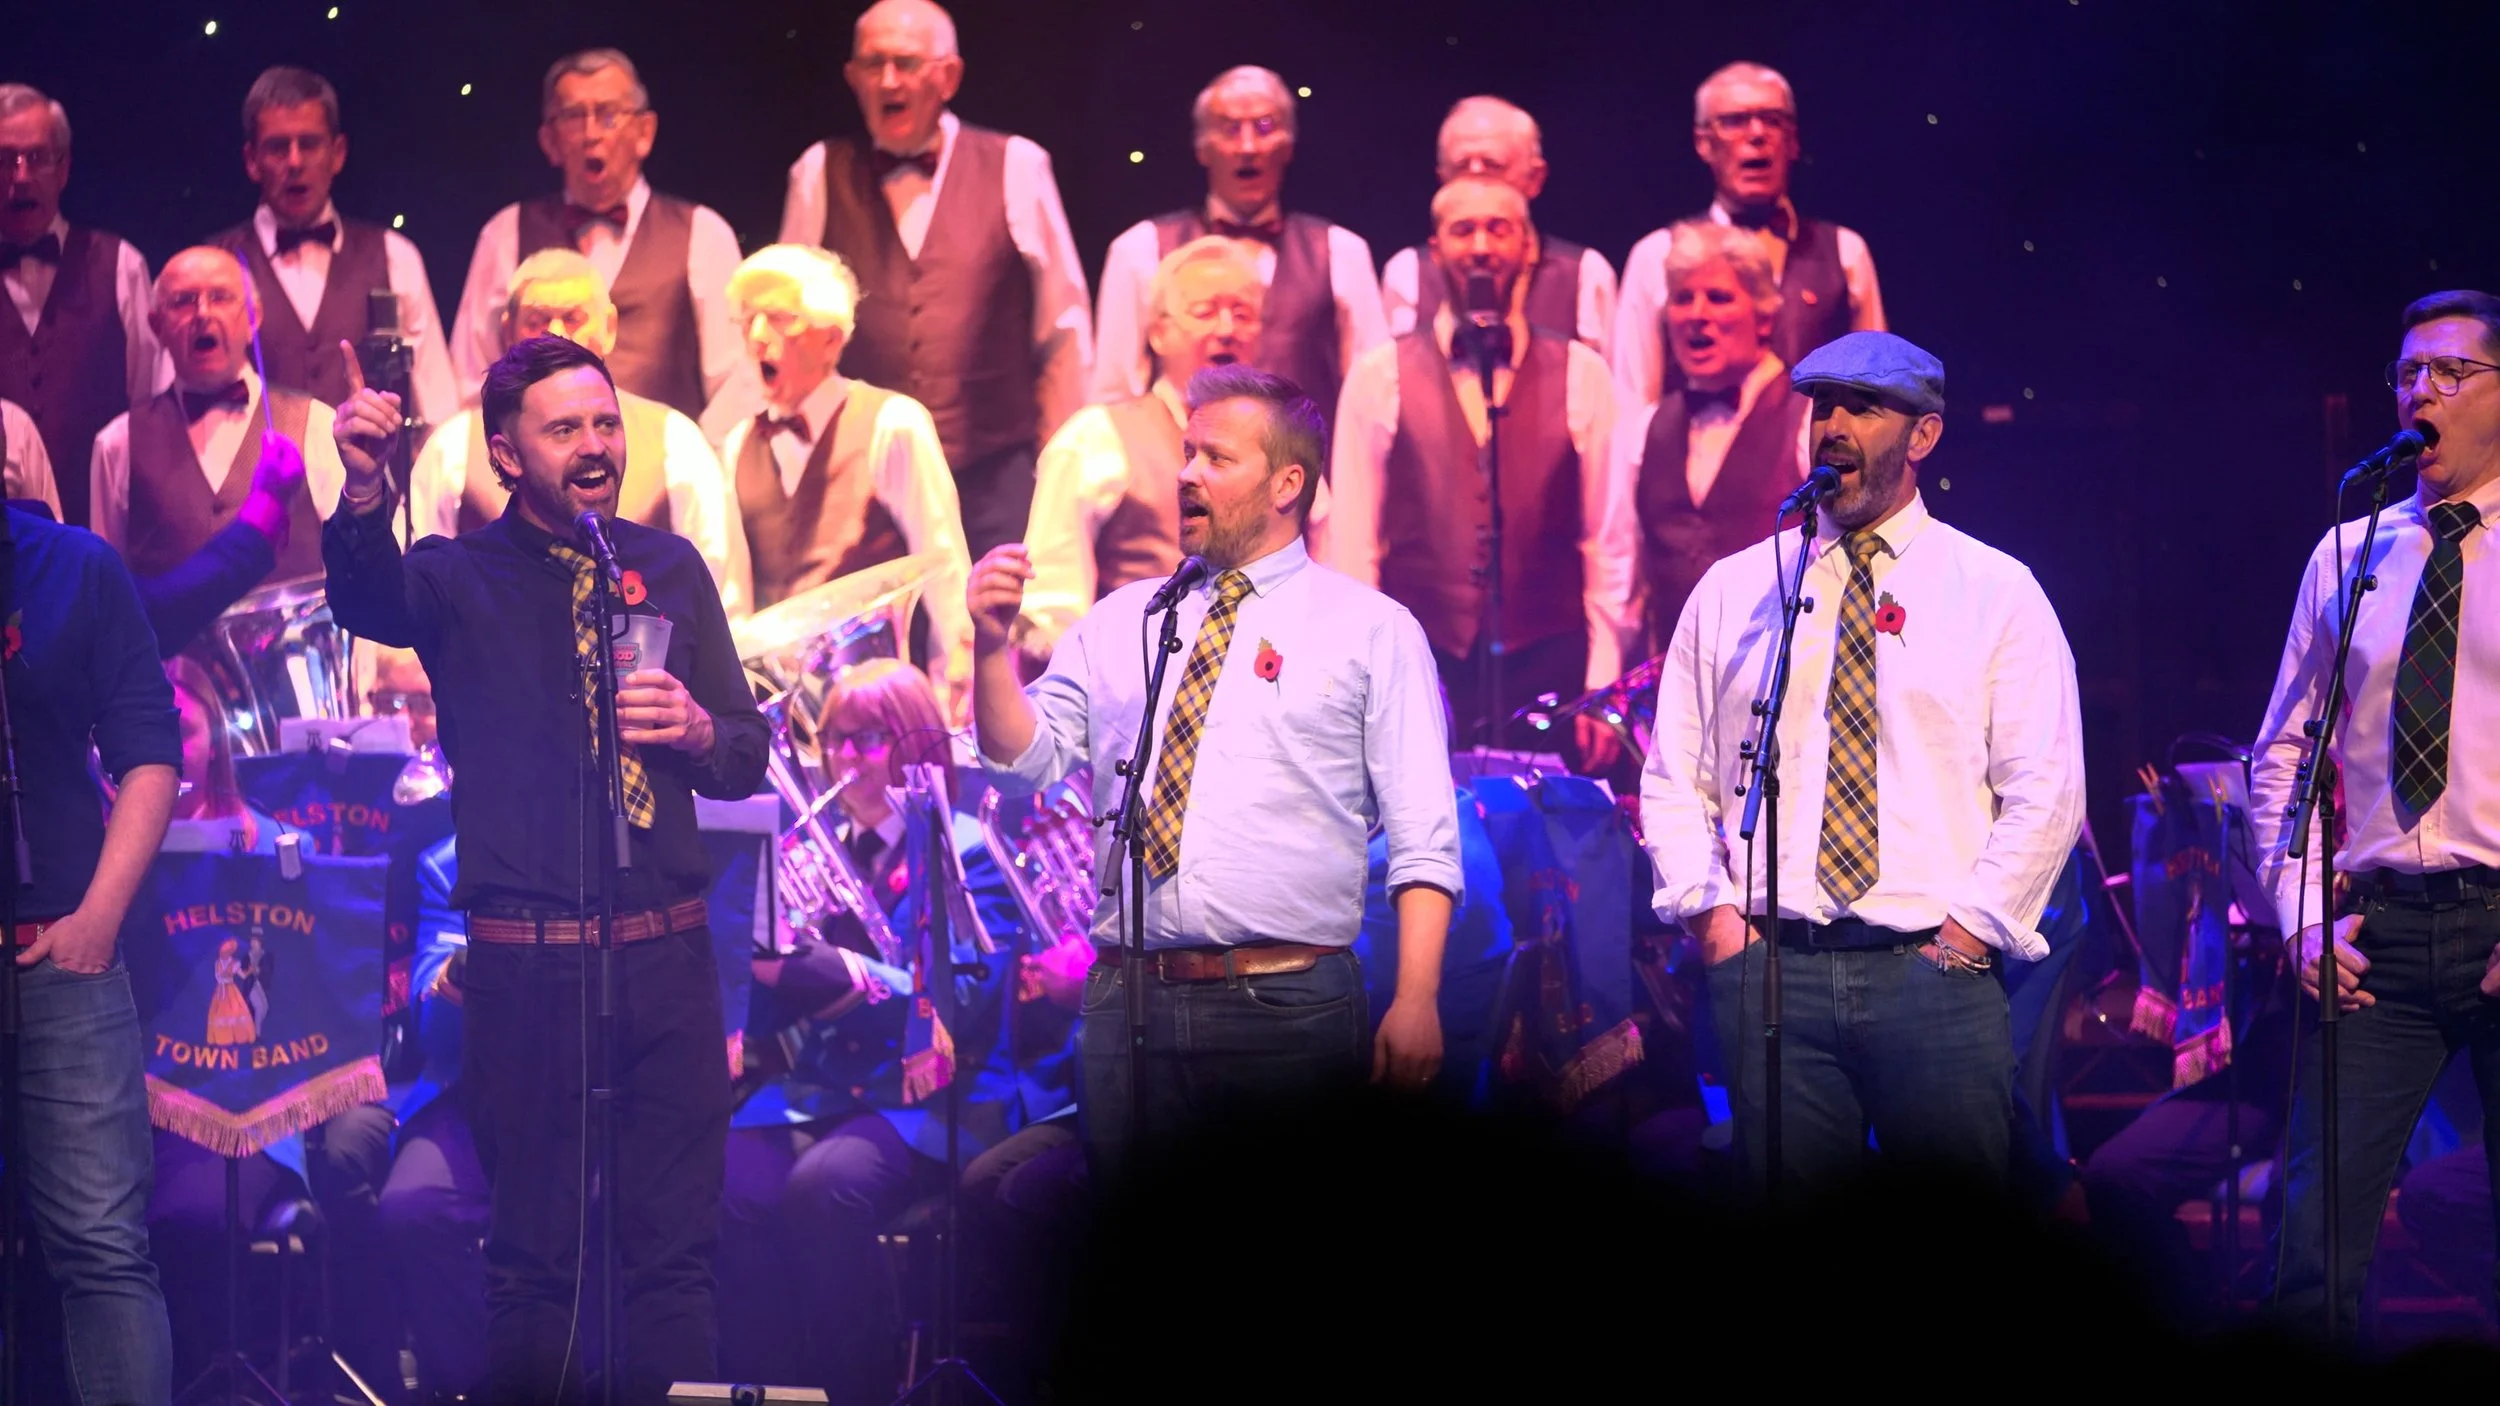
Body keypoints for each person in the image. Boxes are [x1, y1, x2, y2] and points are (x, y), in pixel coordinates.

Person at [325, 333, 768, 1403]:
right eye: (564, 428)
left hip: (663, 958)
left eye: (605, 423)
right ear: (507, 453)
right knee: (534, 1265)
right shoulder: (453, 571)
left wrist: (702, 730)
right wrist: (363, 486)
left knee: (673, 1258)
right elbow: (365, 600)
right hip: (529, 970)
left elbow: (745, 754)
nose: (594, 445)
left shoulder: (668, 565)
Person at [969, 363, 1462, 1169]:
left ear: (1286, 483)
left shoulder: (1370, 628)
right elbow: (1022, 761)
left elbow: (1424, 838)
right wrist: (991, 644)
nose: (1187, 473)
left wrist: (1416, 1000)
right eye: (1187, 452)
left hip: (1285, 1005)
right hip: (1128, 998)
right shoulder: (1124, 619)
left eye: (1216, 458)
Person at [1640, 331, 2084, 1193]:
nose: (1833, 424)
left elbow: (2048, 793)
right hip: (1773, 979)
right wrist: (1718, 926)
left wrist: (1965, 942)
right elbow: (1673, 779)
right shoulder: (1736, 592)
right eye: (1822, 405)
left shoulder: (1995, 591)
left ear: (1923, 437)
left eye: (1861, 406)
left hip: (1932, 979)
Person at [2250, 289, 2500, 1337]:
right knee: (2310, 1237)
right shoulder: (2349, 552)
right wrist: (2300, 916)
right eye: (2408, 373)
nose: (2420, 391)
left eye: (2448, 371)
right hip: (2381, 934)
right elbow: (2282, 757)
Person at [717, 657, 1063, 1405]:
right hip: (826, 1088)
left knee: (824, 1191)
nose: (845, 758)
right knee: (723, 1184)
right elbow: (781, 1003)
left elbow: (963, 1006)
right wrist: (763, 973)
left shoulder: (967, 850)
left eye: (869, 739)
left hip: (936, 1100)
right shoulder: (811, 853)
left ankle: (858, 1390)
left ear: (915, 745)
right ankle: (771, 1385)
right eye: (835, 739)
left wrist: (840, 975)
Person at [1319, 177, 1633, 767]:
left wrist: (1602, 681)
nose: (1482, 246)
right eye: (1464, 230)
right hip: (1421, 658)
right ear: (1435, 250)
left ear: (1529, 250)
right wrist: (1360, 674)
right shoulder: (1379, 374)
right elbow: (1356, 547)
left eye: (1500, 229)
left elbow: (1607, 541)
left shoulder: (1583, 373)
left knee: (1544, 849)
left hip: (1550, 659)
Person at [779, 0, 1092, 559]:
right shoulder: (817, 171)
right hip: (864, 480)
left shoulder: (1016, 164)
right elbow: (787, 330)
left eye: (905, 63)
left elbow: (1062, 329)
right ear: (852, 78)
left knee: (1000, 634)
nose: (888, 80)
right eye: (873, 65)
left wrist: (1060, 469)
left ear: (948, 76)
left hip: (995, 473)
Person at [4, 496, 181, 1405]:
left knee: (104, 1251)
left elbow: (151, 750)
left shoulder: (74, 566)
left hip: (59, 955)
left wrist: (97, 920)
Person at [413, 248, 742, 608]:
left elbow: (717, 592)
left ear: (609, 328)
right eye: (538, 319)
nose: (556, 335)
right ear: (508, 330)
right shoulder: (453, 446)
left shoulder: (676, 441)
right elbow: (419, 591)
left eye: (574, 318)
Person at [717, 243, 971, 700]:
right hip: (780, 708)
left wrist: (958, 667)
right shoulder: (737, 445)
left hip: (875, 701)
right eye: (748, 318)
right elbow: (732, 599)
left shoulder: (892, 422)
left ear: (831, 339)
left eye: (778, 317)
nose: (757, 335)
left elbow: (942, 557)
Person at [449, 49, 746, 437]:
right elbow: (471, 383)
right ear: (549, 141)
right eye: (573, 117)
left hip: (662, 479)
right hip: (537, 487)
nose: (591, 134)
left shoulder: (703, 232)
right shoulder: (506, 232)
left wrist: (687, 468)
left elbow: (735, 384)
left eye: (608, 115)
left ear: (645, 132)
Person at [1017, 235, 1261, 666]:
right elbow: (1052, 609)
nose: (1226, 329)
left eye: (1242, 313)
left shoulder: (1282, 442)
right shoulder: (1097, 437)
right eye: (1205, 312)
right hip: (1137, 692)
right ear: (1159, 333)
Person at [1091, 66, 1386, 419]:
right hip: (1176, 467)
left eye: (1265, 127)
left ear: (1288, 146)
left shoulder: (1342, 252)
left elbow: (1372, 400)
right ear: (1202, 149)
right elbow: (1113, 395)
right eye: (1230, 129)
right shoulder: (1139, 248)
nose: (1248, 147)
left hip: (1306, 470)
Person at [1612, 62, 1885, 409]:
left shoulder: (1845, 252)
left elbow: (1877, 396)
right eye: (1734, 121)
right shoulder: (1657, 255)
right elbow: (1633, 406)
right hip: (1695, 458)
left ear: (1794, 142)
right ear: (1703, 143)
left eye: (1773, 120)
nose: (1757, 134)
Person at [209, 65, 459, 428]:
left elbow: (438, 406)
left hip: (371, 482)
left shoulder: (394, 255)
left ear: (337, 153)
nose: (294, 162)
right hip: (253, 482)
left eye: (309, 144)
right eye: (278, 148)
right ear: (252, 161)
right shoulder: (215, 264)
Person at [1608, 220, 1811, 653]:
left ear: (1763, 316)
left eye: (1718, 297)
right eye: (1683, 299)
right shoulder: (1649, 428)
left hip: (1785, 682)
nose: (1697, 314)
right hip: (1679, 689)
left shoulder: (1809, 417)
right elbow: (1627, 572)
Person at [89, 247, 347, 586]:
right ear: (156, 326)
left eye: (221, 297)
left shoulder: (315, 424)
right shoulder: (118, 444)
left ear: (253, 317)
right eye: (183, 301)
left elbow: (350, 567)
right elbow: (109, 590)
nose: (202, 314)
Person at [0, 83, 165, 527]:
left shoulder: (121, 264)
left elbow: (151, 410)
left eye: (35, 157)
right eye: (4, 159)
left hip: (106, 534)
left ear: (64, 168)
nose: (18, 176)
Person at [1380, 96, 1616, 356]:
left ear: (1535, 178)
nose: (1475, 178)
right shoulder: (1409, 272)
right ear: (1442, 180)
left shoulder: (1584, 274)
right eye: (1461, 167)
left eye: (1493, 166)